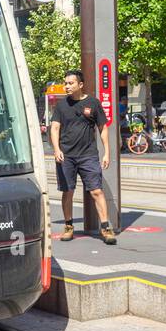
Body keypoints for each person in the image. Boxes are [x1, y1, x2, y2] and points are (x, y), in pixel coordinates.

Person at [49, 69, 116, 245]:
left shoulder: (93, 103)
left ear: (80, 84)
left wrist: (107, 152)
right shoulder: (61, 106)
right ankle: (69, 226)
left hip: (88, 155)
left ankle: (105, 227)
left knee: (96, 191)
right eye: (65, 83)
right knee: (67, 191)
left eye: (70, 83)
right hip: (66, 156)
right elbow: (54, 128)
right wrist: (56, 149)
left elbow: (103, 128)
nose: (67, 86)